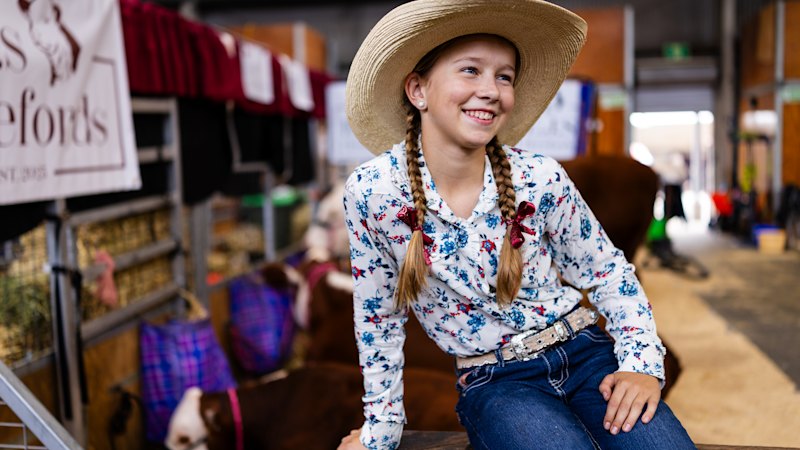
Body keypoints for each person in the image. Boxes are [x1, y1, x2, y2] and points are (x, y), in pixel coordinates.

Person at [338, 1, 696, 449]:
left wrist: (641, 362)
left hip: (586, 352)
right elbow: (378, 318)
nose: (491, 90)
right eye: (470, 70)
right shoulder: (373, 192)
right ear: (418, 90)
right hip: (496, 382)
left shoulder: (538, 177)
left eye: (504, 76)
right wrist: (382, 429)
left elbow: (607, 270)